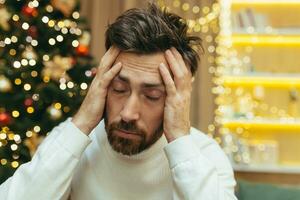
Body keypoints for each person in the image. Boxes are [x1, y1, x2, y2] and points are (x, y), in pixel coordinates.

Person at [0, 3, 237, 200]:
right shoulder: (72, 141)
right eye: (119, 89)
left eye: (152, 96)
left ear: (178, 98)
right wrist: (81, 122)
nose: (128, 113)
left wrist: (180, 141)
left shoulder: (205, 156)